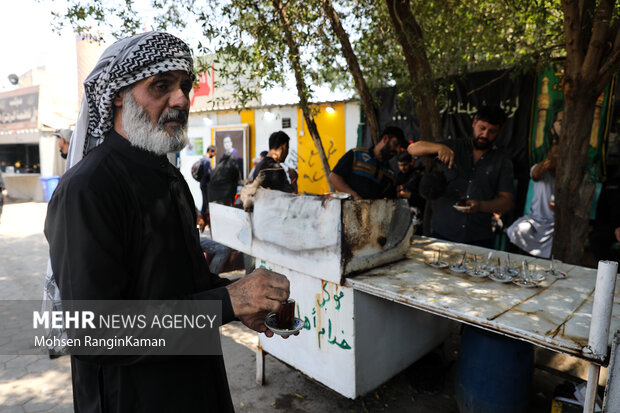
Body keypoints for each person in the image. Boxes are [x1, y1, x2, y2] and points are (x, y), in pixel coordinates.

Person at [44, 32, 291, 413]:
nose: (181, 99)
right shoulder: (89, 189)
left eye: (185, 86)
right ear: (117, 95)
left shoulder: (169, 178)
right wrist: (228, 300)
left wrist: (241, 302)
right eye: (161, 86)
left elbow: (182, 281)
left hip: (195, 384)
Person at [408, 106, 514, 248]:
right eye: (482, 128)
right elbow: (413, 148)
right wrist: (439, 148)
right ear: (474, 122)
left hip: (479, 239)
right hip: (443, 234)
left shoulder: (502, 161)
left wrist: (481, 206)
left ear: (499, 132)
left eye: (492, 131)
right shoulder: (454, 146)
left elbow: (507, 202)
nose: (485, 134)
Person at [506, 111, 562, 258]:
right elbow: (536, 174)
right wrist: (553, 155)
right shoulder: (539, 169)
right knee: (515, 230)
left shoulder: (569, 176)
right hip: (536, 220)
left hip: (558, 225)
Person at [329, 126, 407, 200]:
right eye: (395, 144)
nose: (398, 150)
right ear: (385, 139)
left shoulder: (391, 174)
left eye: (400, 147)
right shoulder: (356, 154)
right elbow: (334, 177)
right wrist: (354, 196)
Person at [200, 144, 216, 217]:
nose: (214, 155)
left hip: (203, 184)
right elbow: (207, 173)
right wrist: (213, 172)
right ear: (210, 151)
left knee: (205, 203)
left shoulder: (203, 159)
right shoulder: (207, 160)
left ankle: (202, 221)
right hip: (206, 185)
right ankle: (204, 221)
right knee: (207, 204)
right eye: (214, 153)